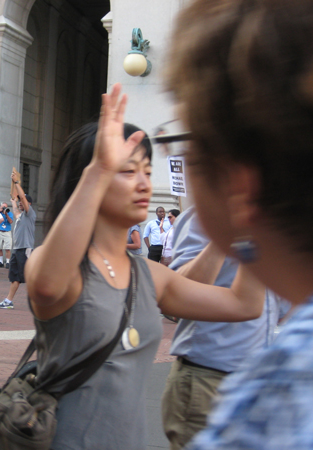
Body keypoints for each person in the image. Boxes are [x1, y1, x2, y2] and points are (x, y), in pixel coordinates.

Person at [24, 86, 264, 450]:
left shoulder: (147, 275)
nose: (144, 183)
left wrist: (247, 224)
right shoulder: (57, 264)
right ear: (89, 177)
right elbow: (46, 286)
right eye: (127, 170)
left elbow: (244, 304)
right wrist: (101, 169)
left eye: (147, 171)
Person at [164, 1, 313, 448]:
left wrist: (242, 233)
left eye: (187, 142)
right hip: (207, 373)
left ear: (237, 185)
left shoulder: (267, 413)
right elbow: (177, 293)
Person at [161, 207, 284, 450]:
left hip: (260, 383)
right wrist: (224, 236)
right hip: (210, 381)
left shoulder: (277, 218)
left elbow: (282, 309)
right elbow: (176, 293)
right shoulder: (206, 215)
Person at [0, 177, 36, 309]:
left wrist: (17, 182)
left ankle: (44, 300)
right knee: (15, 277)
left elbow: (22, 197)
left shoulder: (30, 214)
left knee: (29, 277)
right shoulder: (21, 216)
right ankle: (8, 301)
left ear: (28, 204)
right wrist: (13, 201)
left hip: (25, 250)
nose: (20, 204)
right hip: (17, 250)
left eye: (22, 203)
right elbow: (16, 212)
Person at [0, 201, 14, 267]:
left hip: (7, 232)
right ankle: (1, 262)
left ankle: (8, 262)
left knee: (7, 248)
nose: (4, 208)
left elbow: (11, 221)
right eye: (3, 207)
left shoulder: (10, 213)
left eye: (5, 207)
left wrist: (6, 214)